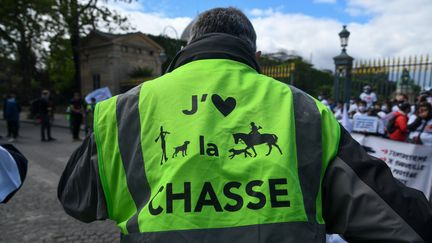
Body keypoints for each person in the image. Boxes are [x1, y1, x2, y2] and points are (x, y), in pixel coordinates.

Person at [58, 7, 432, 243]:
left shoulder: (121, 110)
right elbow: (404, 222)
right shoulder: (303, 109)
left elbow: (77, 202)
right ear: (254, 56)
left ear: (184, 50)